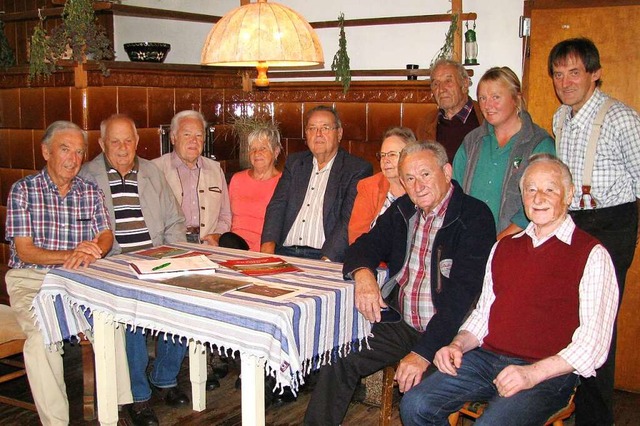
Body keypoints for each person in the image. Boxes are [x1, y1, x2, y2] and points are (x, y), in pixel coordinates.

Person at [400, 154, 619, 426]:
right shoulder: (504, 247)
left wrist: (532, 374)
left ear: (569, 194)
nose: (538, 198)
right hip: (485, 360)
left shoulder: (591, 254)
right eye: (531, 189)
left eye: (549, 189)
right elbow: (483, 316)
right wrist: (457, 344)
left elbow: (593, 346)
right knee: (415, 405)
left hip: (547, 372)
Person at [304, 141, 496, 425]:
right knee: (338, 356)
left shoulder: (474, 216)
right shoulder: (404, 210)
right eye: (409, 178)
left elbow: (462, 297)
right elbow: (363, 245)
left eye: (425, 174)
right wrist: (363, 275)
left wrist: (423, 353)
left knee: (420, 402)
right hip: (401, 324)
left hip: (450, 335)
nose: (418, 186)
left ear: (446, 171)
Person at [4, 121, 131, 425]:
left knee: (109, 323)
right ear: (46, 151)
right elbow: (24, 250)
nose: (73, 159)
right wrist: (70, 255)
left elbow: (105, 235)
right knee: (41, 339)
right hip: (32, 279)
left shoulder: (89, 190)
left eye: (78, 152)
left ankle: (116, 410)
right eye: (65, 149)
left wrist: (95, 250)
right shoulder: (23, 190)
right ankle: (56, 422)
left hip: (81, 277)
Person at [548, 37, 640, 426]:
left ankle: (595, 419)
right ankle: (563, 403)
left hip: (612, 222)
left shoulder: (622, 119)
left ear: (595, 74)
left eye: (574, 72)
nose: (565, 81)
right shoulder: (560, 118)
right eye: (558, 74)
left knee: (599, 322)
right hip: (574, 223)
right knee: (569, 318)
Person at [80, 114, 188, 426]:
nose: (124, 147)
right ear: (102, 144)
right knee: (130, 319)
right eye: (115, 141)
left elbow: (174, 220)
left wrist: (174, 256)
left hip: (156, 258)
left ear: (138, 142)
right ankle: (138, 396)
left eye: (129, 140)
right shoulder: (88, 177)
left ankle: (164, 378)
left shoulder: (151, 171)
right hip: (114, 264)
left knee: (184, 303)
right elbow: (86, 232)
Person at [452, 66, 555, 239]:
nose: (487, 105)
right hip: (472, 241)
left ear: (516, 98)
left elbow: (545, 201)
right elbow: (454, 192)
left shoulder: (539, 144)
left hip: (520, 243)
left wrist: (501, 239)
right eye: (482, 98)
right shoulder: (472, 142)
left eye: (496, 97)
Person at [261, 105, 373, 262]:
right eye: (312, 128)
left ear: (339, 133)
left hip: (323, 255)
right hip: (284, 251)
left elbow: (347, 220)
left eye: (325, 128)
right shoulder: (295, 163)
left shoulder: (356, 169)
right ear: (306, 134)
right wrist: (267, 249)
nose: (318, 134)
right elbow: (277, 206)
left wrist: (327, 260)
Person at [152, 110, 231, 246]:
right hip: (168, 246)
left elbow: (225, 214)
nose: (193, 141)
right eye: (187, 134)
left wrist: (217, 235)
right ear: (173, 137)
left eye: (199, 135)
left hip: (207, 246)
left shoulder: (215, 170)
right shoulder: (154, 169)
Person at [348, 126, 416, 244]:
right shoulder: (369, 186)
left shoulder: (422, 188)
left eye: (392, 154)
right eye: (383, 155)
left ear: (411, 155)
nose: (385, 160)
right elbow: (357, 237)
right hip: (373, 260)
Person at [223, 125, 282, 251]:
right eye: (253, 149)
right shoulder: (237, 179)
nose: (257, 153)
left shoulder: (283, 182)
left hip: (264, 250)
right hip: (232, 246)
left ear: (276, 152)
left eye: (263, 148)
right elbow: (226, 216)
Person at [417, 59, 484, 161]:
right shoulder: (426, 124)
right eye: (436, 84)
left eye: (448, 81)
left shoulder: (485, 115)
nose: (441, 89)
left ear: (465, 84)